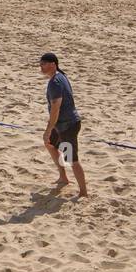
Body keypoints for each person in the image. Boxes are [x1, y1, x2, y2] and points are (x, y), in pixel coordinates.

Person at [39, 53, 87, 197]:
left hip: (67, 125)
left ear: (53, 64)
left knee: (72, 160)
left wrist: (48, 129)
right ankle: (63, 177)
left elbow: (55, 108)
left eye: (43, 64)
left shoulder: (55, 82)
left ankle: (84, 192)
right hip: (62, 124)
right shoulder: (60, 76)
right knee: (49, 144)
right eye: (40, 64)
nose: (41, 66)